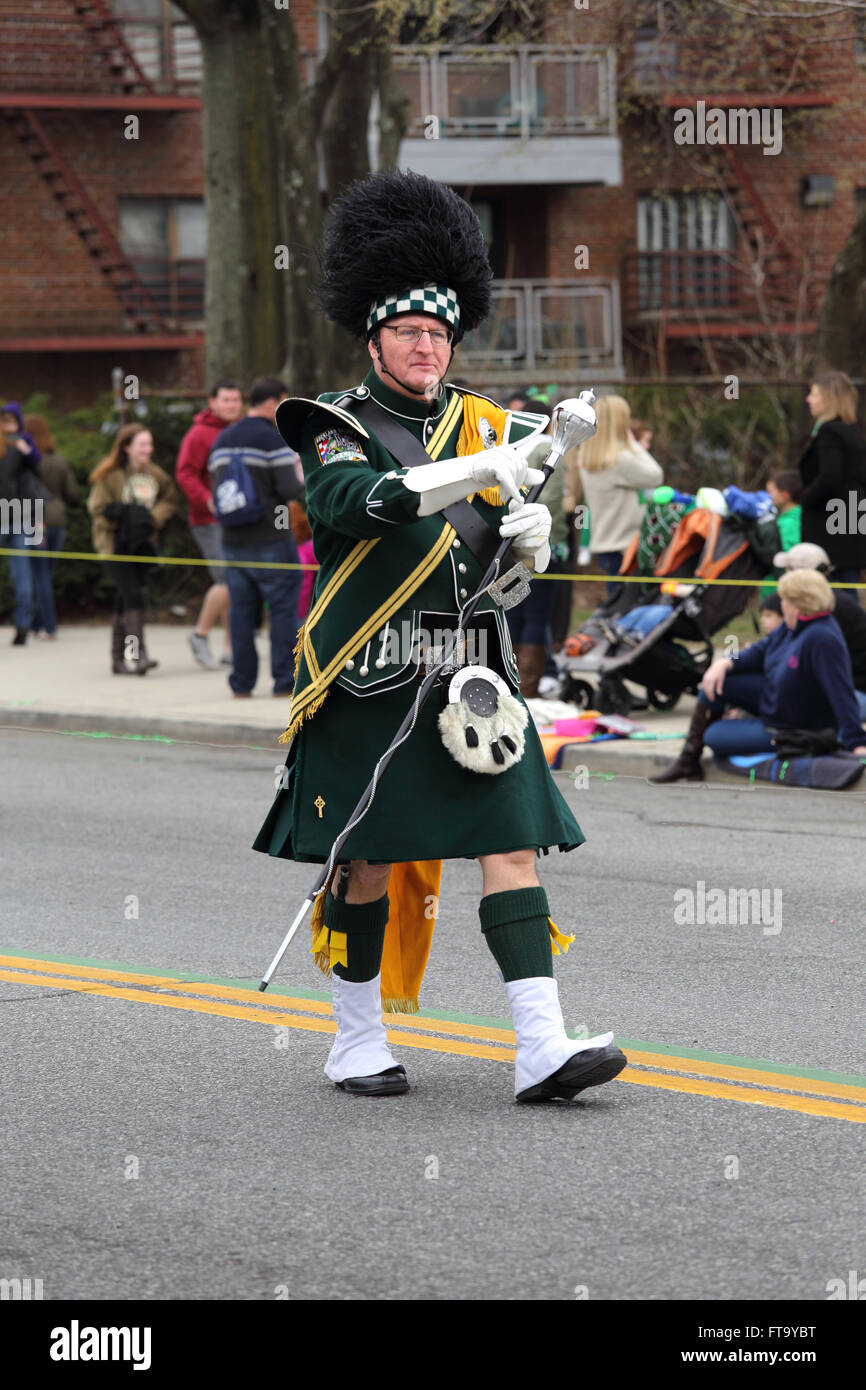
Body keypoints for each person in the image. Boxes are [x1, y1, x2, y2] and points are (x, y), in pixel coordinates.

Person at [252, 169, 626, 1103]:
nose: (427, 347)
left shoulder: (491, 422)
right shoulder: (335, 426)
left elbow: (493, 577)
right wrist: (482, 471)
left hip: (472, 679)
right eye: (410, 332)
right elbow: (357, 504)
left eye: (440, 333)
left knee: (512, 847)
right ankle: (356, 1039)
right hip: (369, 677)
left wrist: (530, 546)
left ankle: (540, 1045)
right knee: (370, 862)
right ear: (374, 336)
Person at [650, 569, 866, 781]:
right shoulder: (792, 627)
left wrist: (856, 742)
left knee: (714, 735)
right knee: (719, 683)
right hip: (774, 701)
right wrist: (724, 663)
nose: (781, 604)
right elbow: (757, 652)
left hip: (793, 727)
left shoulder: (822, 637)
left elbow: (841, 691)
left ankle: (699, 754)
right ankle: (687, 761)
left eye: (784, 600)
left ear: (797, 604)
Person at [208, 375, 304, 698]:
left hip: (232, 541)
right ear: (271, 402)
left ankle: (241, 683)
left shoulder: (222, 440)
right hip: (272, 538)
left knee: (241, 611)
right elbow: (289, 489)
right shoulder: (272, 440)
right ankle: (283, 681)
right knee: (282, 610)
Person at [87, 424, 179, 675]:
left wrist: (150, 519)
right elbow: (97, 509)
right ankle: (139, 656)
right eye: (142, 445)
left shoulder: (157, 475)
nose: (148, 449)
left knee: (124, 598)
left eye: (150, 444)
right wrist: (126, 517)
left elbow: (169, 501)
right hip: (113, 546)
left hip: (142, 546)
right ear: (127, 447)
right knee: (134, 594)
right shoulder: (110, 475)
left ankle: (117, 660)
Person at [175, 379, 244, 669]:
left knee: (234, 581)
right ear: (212, 402)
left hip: (237, 518)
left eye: (236, 400)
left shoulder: (241, 430)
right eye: (226, 400)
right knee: (227, 579)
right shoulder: (199, 434)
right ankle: (200, 634)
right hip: (208, 520)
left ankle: (231, 648)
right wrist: (207, 500)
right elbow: (185, 473)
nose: (231, 405)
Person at [572, 394, 663, 596]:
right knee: (631, 607)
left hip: (605, 544)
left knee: (617, 602)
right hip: (627, 547)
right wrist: (635, 445)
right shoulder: (620, 460)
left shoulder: (588, 459)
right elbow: (656, 476)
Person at [774, 541, 866, 721]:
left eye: (789, 569)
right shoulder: (833, 599)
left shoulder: (826, 609)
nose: (785, 575)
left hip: (855, 694)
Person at [798, 371, 866, 586]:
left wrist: (804, 499)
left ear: (829, 398)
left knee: (835, 589)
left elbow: (830, 477)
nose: (808, 399)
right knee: (846, 583)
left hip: (832, 523)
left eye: (814, 394)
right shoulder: (852, 431)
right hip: (851, 518)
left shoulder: (830, 433)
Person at [23, 414, 78, 640]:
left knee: (40, 574)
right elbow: (72, 492)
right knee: (46, 573)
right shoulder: (60, 460)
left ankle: (49, 626)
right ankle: (36, 625)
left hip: (36, 518)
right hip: (58, 519)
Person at [0, 406, 42, 645]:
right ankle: (23, 625)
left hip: (11, 514)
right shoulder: (19, 444)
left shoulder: (12, 445)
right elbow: (37, 470)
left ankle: (23, 623)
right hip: (19, 512)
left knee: (22, 573)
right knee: (22, 573)